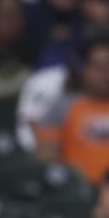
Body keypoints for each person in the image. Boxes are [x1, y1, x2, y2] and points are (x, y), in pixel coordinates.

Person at [34, 30, 109, 184]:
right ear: (83, 69)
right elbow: (45, 154)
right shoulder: (63, 105)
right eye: (99, 67)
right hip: (76, 192)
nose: (106, 74)